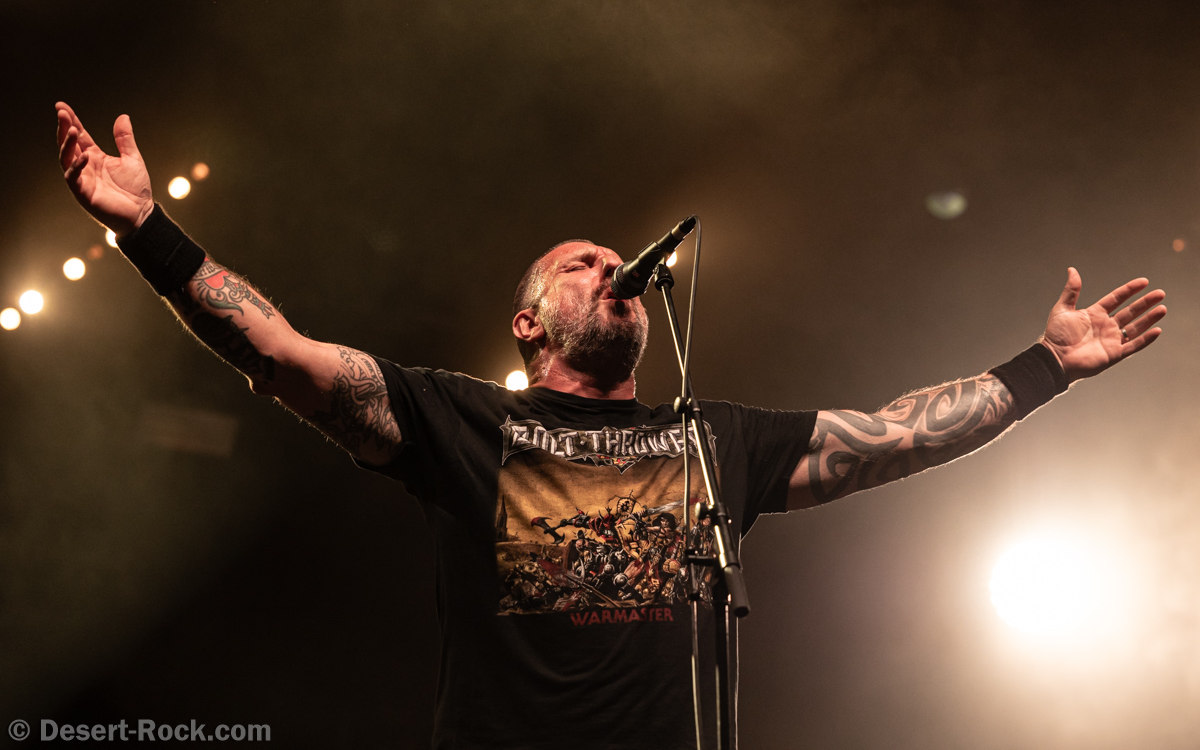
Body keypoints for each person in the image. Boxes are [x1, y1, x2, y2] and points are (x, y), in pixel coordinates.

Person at [55, 102, 1166, 749]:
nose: (611, 267)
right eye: (582, 263)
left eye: (615, 260)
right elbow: (283, 355)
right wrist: (148, 230)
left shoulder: (711, 440)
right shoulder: (464, 420)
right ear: (530, 320)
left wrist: (1045, 368)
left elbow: (892, 435)